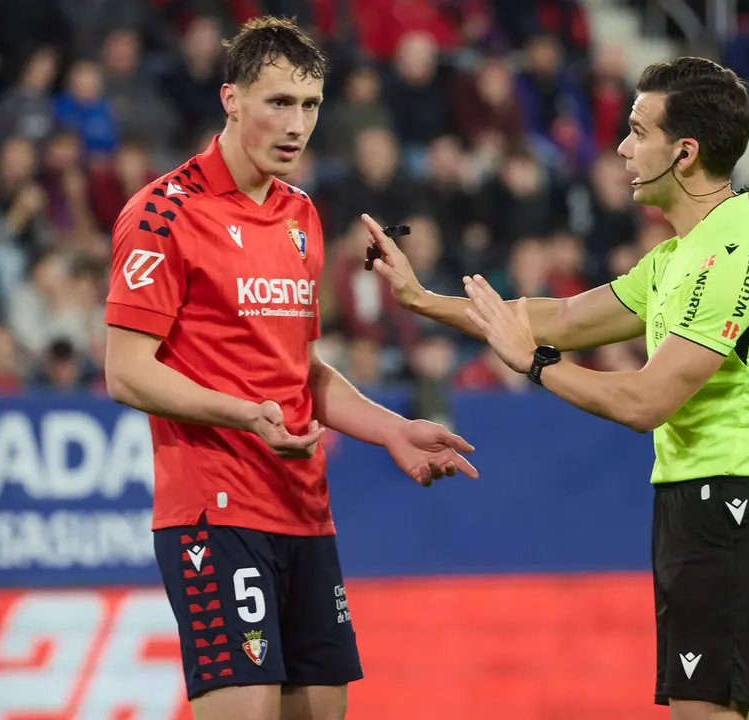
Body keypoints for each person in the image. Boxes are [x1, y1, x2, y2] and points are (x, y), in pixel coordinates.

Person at [366, 57, 749, 720]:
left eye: (637, 131)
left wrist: (538, 366)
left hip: (734, 507)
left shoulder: (733, 257)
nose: (623, 148)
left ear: (684, 153)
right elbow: (562, 318)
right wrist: (422, 299)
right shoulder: (681, 256)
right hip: (703, 503)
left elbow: (644, 401)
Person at [102, 17, 477, 720]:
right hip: (214, 516)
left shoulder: (301, 215)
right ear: (231, 99)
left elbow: (301, 370)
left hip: (305, 513)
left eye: (309, 106)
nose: (296, 124)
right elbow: (126, 373)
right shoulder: (162, 213)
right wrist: (242, 414)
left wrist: (391, 430)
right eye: (278, 102)